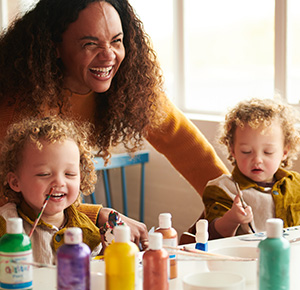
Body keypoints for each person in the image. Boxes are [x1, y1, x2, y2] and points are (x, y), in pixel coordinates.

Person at [0, 0, 229, 245]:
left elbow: (190, 151)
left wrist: (228, 203)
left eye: (116, 41)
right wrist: (100, 215)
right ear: (54, 46)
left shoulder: (133, 87)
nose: (109, 55)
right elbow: (12, 203)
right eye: (90, 44)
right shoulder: (19, 106)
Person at [0, 116, 103, 264]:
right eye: (44, 174)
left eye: (70, 174)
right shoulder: (5, 223)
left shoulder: (85, 229)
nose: (59, 182)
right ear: (16, 182)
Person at [202, 98, 300, 239]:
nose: (257, 160)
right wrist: (231, 218)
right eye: (246, 151)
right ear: (233, 150)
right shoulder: (222, 189)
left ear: (284, 152)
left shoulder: (296, 184)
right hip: (245, 257)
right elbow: (212, 236)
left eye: (268, 152)